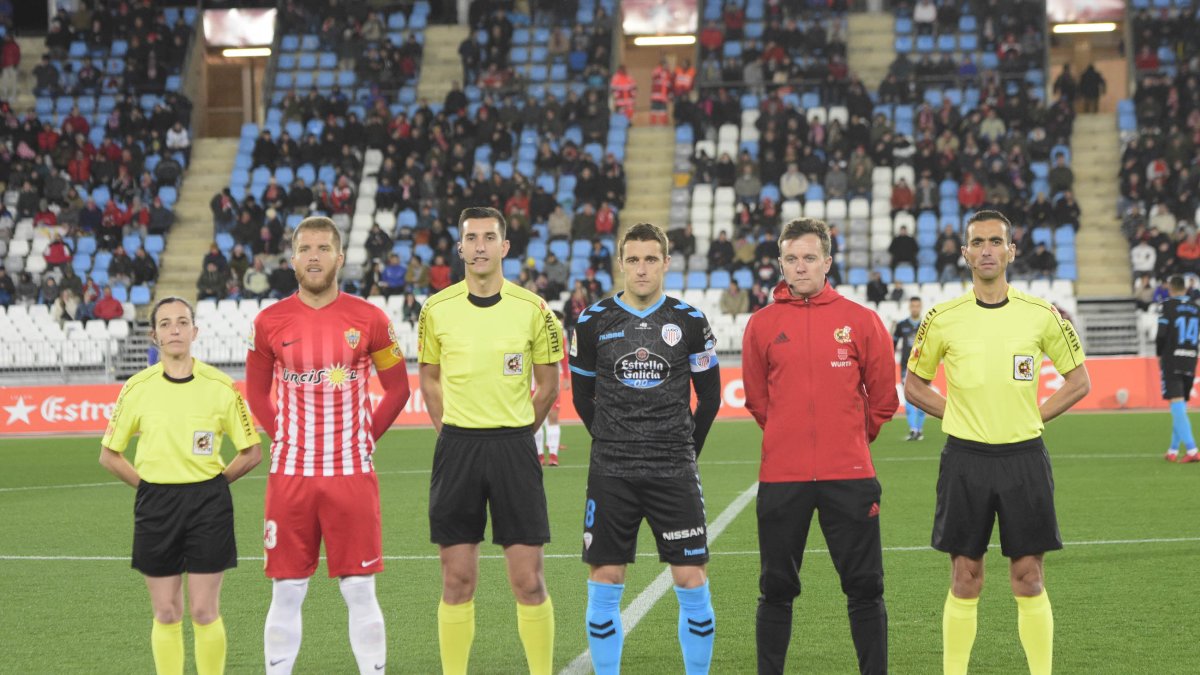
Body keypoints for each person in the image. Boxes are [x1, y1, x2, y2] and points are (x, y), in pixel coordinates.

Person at [904, 210, 1091, 675]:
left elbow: (1079, 380)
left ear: (1011, 250)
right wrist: (959, 414)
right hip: (965, 460)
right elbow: (914, 385)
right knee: (965, 577)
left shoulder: (1042, 314)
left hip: (1023, 458)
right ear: (964, 252)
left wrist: (1034, 415)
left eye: (995, 241)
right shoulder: (942, 318)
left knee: (1028, 577)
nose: (986, 249)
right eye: (977, 242)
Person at [245, 217, 411, 675]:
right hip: (291, 476)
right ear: (293, 258)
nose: (314, 256)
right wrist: (285, 437)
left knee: (359, 588)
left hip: (350, 474)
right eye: (305, 248)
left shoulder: (370, 319)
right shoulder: (268, 322)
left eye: (323, 248)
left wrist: (363, 437)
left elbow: (398, 389)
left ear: (340, 257)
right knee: (286, 589)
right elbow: (256, 393)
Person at [742, 218, 898, 675]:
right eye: (791, 258)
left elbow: (884, 398)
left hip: (849, 477)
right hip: (782, 478)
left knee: (865, 587)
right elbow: (757, 400)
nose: (800, 266)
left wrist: (848, 438)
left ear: (827, 262)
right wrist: (788, 437)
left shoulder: (860, 320)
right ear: (780, 264)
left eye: (809, 257)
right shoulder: (762, 325)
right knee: (775, 588)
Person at [570, 222, 721, 674]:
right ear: (621, 263)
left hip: (673, 469)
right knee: (605, 581)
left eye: (650, 259)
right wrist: (612, 439)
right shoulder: (592, 321)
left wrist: (685, 448)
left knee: (691, 579)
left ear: (666, 263)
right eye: (633, 259)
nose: (641, 268)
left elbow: (710, 398)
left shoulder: (689, 321)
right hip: (611, 471)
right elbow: (581, 397)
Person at [417, 207, 563, 675]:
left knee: (529, 580)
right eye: (470, 237)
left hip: (514, 450)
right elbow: (429, 377)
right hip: (457, 449)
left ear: (505, 247)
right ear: (459, 247)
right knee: (456, 579)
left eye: (489, 237)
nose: (479, 246)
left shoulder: (534, 309)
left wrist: (522, 429)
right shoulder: (435, 309)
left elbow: (549, 383)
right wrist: (451, 429)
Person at [99, 296, 263, 675]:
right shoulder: (137, 387)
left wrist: (215, 485)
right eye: (166, 323)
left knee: (205, 611)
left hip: (209, 503)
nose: (175, 329)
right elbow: (109, 454)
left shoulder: (220, 386)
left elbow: (251, 451)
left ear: (195, 331)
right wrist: (148, 487)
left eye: (182, 322)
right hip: (156, 503)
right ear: (154, 335)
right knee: (166, 611)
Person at [1157, 275, 1200, 462]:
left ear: (1170, 288)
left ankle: (1192, 450)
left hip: (1172, 358)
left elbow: (1161, 334)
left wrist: (1159, 354)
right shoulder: (1196, 308)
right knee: (1179, 404)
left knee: (1176, 403)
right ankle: (1173, 450)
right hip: (1190, 357)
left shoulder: (1168, 306)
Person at [893, 296, 927, 441]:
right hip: (906, 367)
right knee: (908, 398)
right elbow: (893, 343)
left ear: (921, 307)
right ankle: (913, 430)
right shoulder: (902, 325)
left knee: (923, 399)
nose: (915, 308)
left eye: (917, 306)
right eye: (913, 306)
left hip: (923, 366)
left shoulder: (927, 324)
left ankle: (918, 430)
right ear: (909, 307)